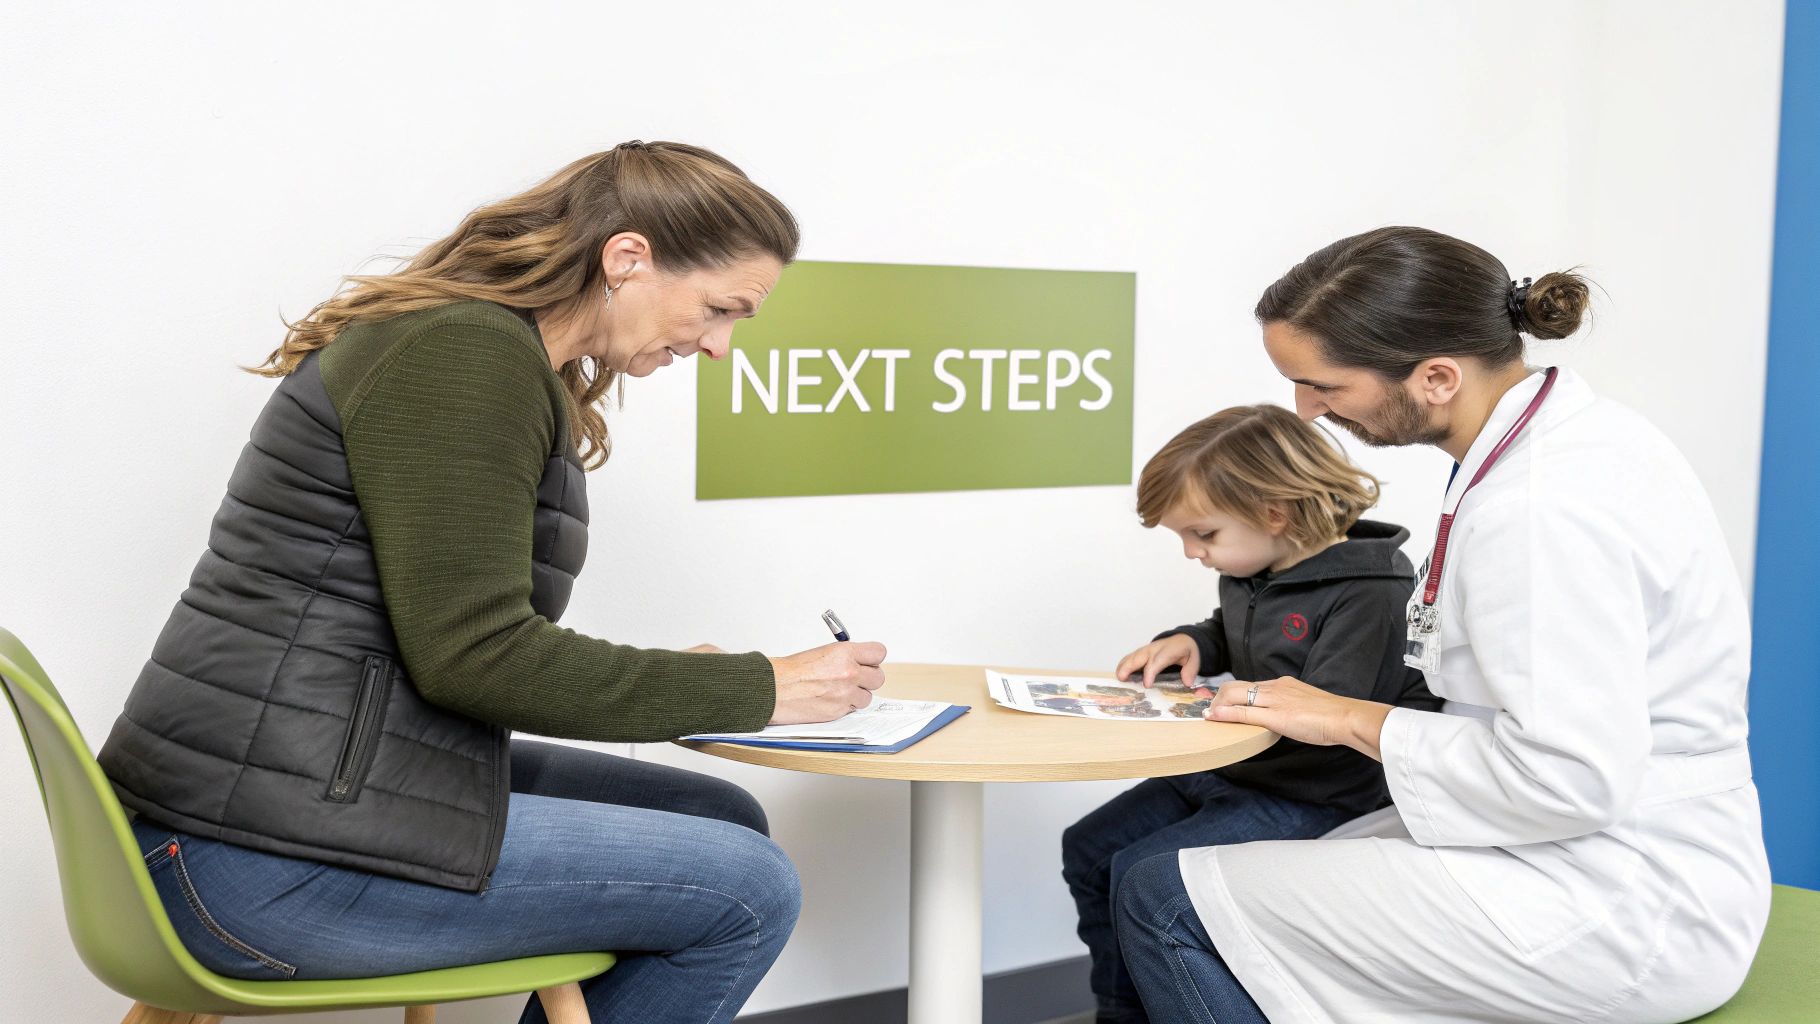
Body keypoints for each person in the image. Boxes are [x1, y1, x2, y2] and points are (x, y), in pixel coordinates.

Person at [95, 141, 887, 1024]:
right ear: (627, 259)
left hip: (276, 799)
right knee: (748, 890)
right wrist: (757, 688)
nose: (719, 346)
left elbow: (461, 637)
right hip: (254, 858)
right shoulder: (463, 357)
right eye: (719, 308)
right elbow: (476, 659)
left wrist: (711, 684)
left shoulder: (476, 347)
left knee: (720, 816)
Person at [1114, 227, 1770, 1023]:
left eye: (1324, 386)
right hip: (1608, 847)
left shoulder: (1539, 509)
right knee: (1261, 877)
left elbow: (1567, 781)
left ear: (1434, 377)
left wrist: (1349, 716)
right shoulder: (1567, 441)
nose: (1307, 411)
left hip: (1621, 898)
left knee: (1163, 895)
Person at [1061, 405, 1438, 1024]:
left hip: (1312, 790)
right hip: (1233, 770)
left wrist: (1213, 715)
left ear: (1274, 513)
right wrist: (1192, 642)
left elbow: (1327, 718)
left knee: (1137, 873)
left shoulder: (1371, 593)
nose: (1190, 553)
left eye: (1202, 535)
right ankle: (1122, 1008)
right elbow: (1229, 634)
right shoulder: (1251, 572)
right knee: (1090, 847)